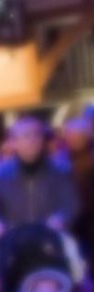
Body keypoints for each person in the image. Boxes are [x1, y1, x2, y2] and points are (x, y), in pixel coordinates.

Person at [0, 116, 80, 240]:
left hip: (50, 239)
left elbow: (70, 203)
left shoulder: (60, 170)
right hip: (13, 240)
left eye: (37, 135)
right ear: (14, 143)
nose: (33, 140)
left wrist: (61, 219)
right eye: (26, 136)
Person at [57, 109, 94, 273]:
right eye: (71, 135)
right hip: (72, 220)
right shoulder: (60, 159)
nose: (74, 139)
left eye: (78, 135)